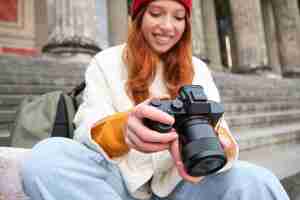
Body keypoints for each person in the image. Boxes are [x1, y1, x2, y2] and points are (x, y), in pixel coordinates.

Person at [21, 0, 290, 199]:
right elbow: (86, 128)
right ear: (137, 16)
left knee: (256, 180)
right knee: (47, 158)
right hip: (117, 184)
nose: (167, 27)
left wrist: (211, 148)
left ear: (186, 24)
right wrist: (126, 129)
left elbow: (224, 135)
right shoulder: (106, 61)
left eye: (178, 17)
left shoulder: (198, 68)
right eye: (156, 13)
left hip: (183, 185)